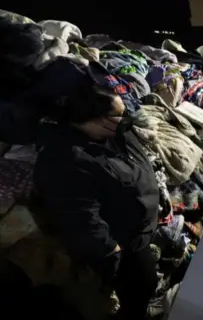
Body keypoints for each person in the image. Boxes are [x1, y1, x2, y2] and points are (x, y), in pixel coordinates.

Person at [33, 83, 159, 320]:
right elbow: (80, 216)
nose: (126, 118)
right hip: (123, 243)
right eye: (119, 114)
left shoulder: (117, 133)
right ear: (97, 118)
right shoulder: (65, 160)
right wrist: (111, 251)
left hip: (139, 230)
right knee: (140, 288)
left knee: (146, 283)